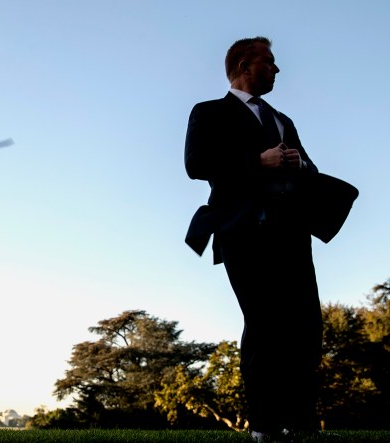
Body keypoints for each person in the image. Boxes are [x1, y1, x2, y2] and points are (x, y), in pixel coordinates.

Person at [184, 37, 325, 442]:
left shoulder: (284, 121)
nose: (277, 70)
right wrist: (256, 161)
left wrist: (303, 165)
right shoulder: (209, 112)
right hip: (243, 230)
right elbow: (196, 165)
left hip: (292, 233)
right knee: (264, 324)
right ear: (246, 65)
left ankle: (301, 426)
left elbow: (310, 168)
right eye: (270, 62)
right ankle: (264, 428)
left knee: (305, 327)